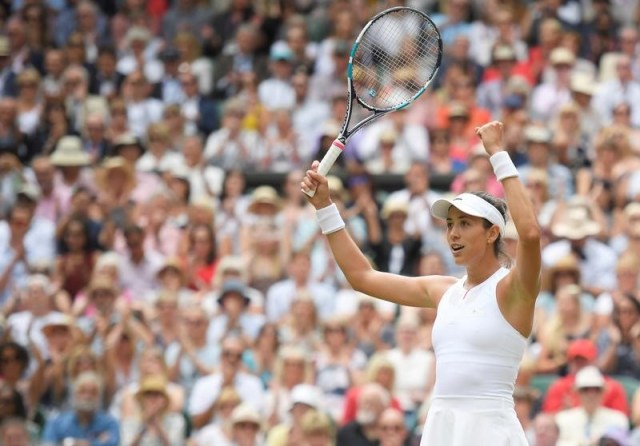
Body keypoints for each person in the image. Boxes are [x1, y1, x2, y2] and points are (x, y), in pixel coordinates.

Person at [301, 120, 542, 445]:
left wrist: (497, 153)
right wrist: (324, 207)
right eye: (450, 224)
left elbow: (529, 234)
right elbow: (363, 277)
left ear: (492, 233)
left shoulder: (513, 290)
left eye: (465, 224)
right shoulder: (442, 290)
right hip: (441, 428)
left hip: (491, 431)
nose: (453, 233)